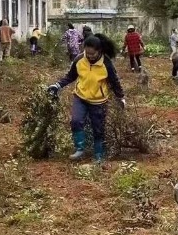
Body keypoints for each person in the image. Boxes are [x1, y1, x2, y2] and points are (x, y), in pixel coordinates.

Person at [48, 33, 125, 163]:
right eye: (87, 53)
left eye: (92, 54)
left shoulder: (106, 63)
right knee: (76, 121)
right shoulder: (79, 60)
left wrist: (121, 97)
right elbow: (70, 76)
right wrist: (57, 85)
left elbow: (114, 81)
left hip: (99, 101)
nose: (89, 57)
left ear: (99, 51)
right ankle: (79, 149)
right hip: (81, 97)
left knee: (98, 128)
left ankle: (99, 154)